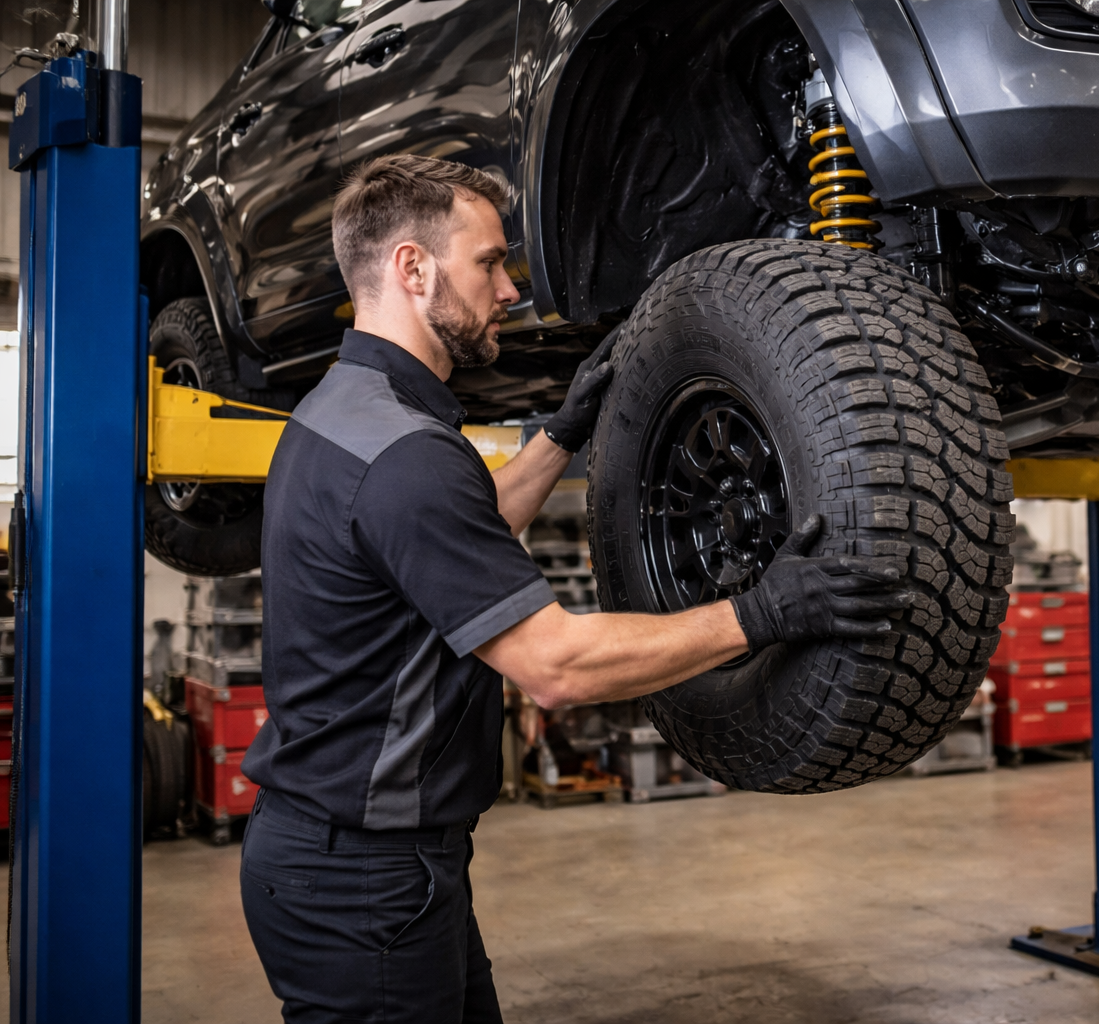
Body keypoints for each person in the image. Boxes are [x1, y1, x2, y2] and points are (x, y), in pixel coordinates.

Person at [238, 154, 912, 1024]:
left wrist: (561, 434)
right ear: (413, 267)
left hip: (346, 860)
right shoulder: (406, 457)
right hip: (362, 879)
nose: (511, 290)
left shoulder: (341, 413)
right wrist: (759, 613)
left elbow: (454, 541)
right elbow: (555, 668)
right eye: (488, 262)